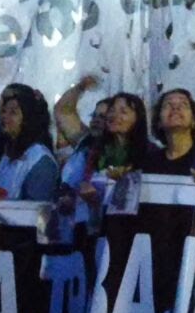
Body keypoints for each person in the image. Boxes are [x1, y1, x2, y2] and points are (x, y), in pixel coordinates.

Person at [55, 77, 152, 215]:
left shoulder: (150, 153)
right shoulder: (91, 146)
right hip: (85, 222)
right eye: (94, 116)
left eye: (102, 116)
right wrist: (81, 86)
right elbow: (63, 111)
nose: (113, 116)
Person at [0, 87, 59, 201]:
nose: (4, 116)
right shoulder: (8, 153)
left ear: (28, 119)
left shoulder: (40, 160)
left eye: (13, 112)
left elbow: (34, 208)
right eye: (4, 111)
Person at [143, 88, 195, 181]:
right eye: (168, 105)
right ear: (159, 122)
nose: (175, 108)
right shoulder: (147, 165)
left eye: (183, 104)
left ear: (193, 121)